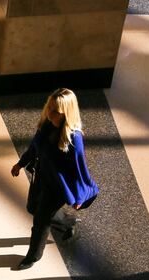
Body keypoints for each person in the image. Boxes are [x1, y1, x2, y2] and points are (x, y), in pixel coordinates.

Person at [10, 88, 99, 270]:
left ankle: (33, 256)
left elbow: (79, 170)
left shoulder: (73, 138)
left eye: (55, 111)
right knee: (33, 207)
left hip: (57, 188)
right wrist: (20, 164)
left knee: (40, 221)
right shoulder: (46, 125)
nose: (50, 114)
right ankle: (68, 222)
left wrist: (80, 197)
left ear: (66, 113)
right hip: (41, 177)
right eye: (49, 108)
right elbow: (34, 148)